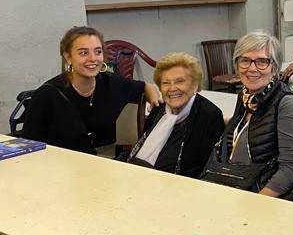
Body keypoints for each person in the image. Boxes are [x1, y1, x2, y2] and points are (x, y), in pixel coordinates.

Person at [22, 26, 162, 154]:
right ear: (68, 57)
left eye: (98, 52)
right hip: (60, 166)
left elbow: (145, 86)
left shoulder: (111, 83)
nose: (93, 59)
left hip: (104, 164)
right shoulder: (47, 95)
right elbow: (28, 145)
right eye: (83, 53)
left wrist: (156, 101)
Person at [203, 31, 293, 198]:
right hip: (234, 185)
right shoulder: (245, 98)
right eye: (245, 60)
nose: (252, 68)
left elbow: (290, 169)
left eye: (262, 61)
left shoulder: (287, 104)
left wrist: (255, 202)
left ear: (274, 67)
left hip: (265, 196)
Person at [127, 52, 224, 177]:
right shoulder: (159, 108)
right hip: (139, 175)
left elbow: (206, 169)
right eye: (166, 83)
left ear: (195, 85)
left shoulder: (209, 116)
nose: (172, 88)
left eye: (179, 81)